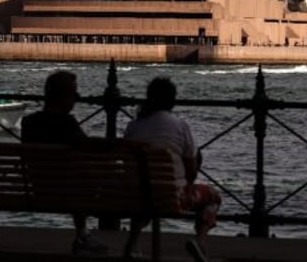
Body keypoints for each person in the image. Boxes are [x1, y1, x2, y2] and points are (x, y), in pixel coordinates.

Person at [122, 77, 221, 262]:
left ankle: (132, 242)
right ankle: (200, 242)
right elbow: (191, 170)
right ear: (172, 100)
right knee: (213, 197)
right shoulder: (179, 125)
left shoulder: (133, 126)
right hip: (172, 199)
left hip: (136, 196)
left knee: (146, 189)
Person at [21, 70, 108, 256]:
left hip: (38, 190)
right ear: (63, 97)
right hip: (70, 192)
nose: (75, 99)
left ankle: (83, 235)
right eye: (73, 95)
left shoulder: (29, 123)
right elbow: (87, 146)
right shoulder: (67, 123)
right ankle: (84, 235)